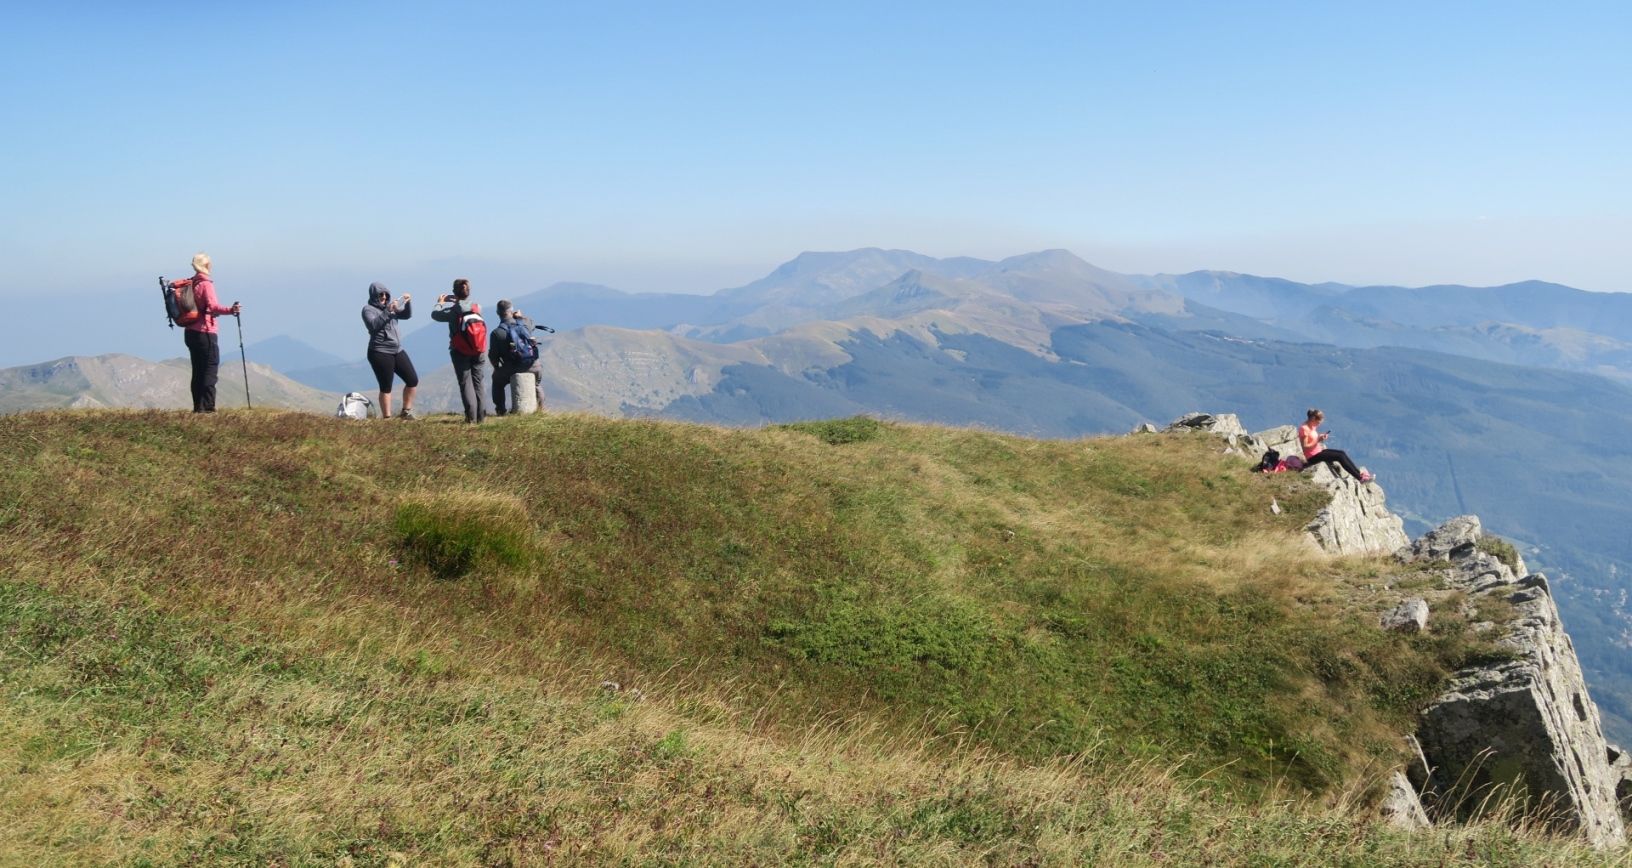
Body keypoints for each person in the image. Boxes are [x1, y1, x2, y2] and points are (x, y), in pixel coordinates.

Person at [169, 252, 241, 413]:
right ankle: (208, 408)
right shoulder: (206, 284)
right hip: (205, 333)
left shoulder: (191, 283)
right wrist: (231, 310)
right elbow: (213, 307)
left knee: (198, 371)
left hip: (190, 332)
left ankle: (198, 407)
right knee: (209, 370)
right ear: (207, 265)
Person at [431, 277, 487, 423]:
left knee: (466, 383)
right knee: (478, 383)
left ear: (454, 292)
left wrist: (440, 302)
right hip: (478, 349)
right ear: (469, 292)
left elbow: (435, 315)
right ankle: (481, 418)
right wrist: (458, 300)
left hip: (460, 351)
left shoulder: (453, 311)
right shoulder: (477, 307)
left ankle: (471, 418)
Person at [361, 282, 419, 420]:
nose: (384, 297)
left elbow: (406, 315)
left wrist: (407, 303)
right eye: (380, 294)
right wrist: (388, 311)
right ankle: (387, 418)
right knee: (386, 386)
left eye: (386, 294)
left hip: (397, 350)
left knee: (412, 380)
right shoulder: (367, 310)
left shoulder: (390, 307)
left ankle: (406, 412)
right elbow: (373, 325)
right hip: (380, 352)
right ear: (374, 295)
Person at [488, 299, 547, 416]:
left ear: (497, 313)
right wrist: (520, 317)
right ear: (512, 311)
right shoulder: (525, 324)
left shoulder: (496, 333)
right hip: (534, 365)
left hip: (511, 367)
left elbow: (493, 356)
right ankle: (541, 410)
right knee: (536, 384)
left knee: (497, 382)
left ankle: (501, 411)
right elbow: (532, 322)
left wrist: (496, 367)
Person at [1297, 408, 1375, 483]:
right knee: (1339, 456)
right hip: (1312, 457)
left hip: (1318, 451)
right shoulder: (1304, 429)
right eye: (1318, 422)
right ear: (1313, 418)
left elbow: (1312, 438)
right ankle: (1360, 479)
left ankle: (1360, 474)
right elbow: (1305, 446)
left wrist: (1321, 436)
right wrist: (1318, 440)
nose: (1319, 424)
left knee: (1342, 453)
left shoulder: (1312, 425)